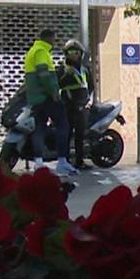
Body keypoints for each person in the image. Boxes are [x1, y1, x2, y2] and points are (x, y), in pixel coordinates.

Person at [24, 28, 77, 175]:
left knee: (39, 128)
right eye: (54, 39)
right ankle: (62, 161)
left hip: (36, 98)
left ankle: (39, 162)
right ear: (49, 39)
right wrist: (53, 92)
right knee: (63, 125)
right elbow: (44, 74)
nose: (54, 42)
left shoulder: (32, 51)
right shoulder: (42, 52)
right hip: (46, 96)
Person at [57, 39, 91, 170]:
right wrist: (66, 75)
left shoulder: (85, 69)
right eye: (70, 52)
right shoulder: (62, 69)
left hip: (83, 107)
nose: (74, 55)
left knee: (80, 135)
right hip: (68, 106)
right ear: (66, 54)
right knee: (67, 133)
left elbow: (91, 86)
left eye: (76, 52)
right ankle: (64, 160)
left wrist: (90, 101)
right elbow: (57, 85)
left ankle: (79, 160)